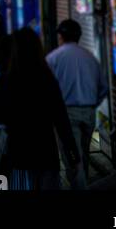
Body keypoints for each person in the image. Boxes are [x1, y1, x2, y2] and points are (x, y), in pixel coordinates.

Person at [0, 28, 81, 190]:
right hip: (46, 153)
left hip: (18, 153)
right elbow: (61, 118)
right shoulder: (46, 77)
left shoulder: (6, 80)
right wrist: (71, 152)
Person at [46, 18, 108, 185]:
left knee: (73, 159)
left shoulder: (53, 58)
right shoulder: (90, 57)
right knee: (83, 155)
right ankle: (83, 182)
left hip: (66, 114)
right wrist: (93, 104)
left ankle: (80, 186)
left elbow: (46, 88)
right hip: (88, 112)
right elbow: (103, 87)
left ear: (60, 37)